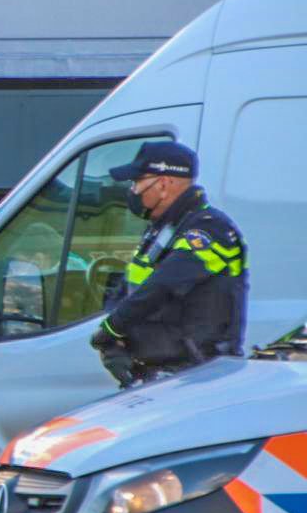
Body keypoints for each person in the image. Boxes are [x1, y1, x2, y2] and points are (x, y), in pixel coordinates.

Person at [90, 142, 248, 387]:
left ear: (163, 184)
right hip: (158, 374)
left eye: (137, 182)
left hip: (198, 376)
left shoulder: (210, 229)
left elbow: (163, 285)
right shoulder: (164, 229)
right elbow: (131, 287)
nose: (133, 191)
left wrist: (112, 328)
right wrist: (115, 343)